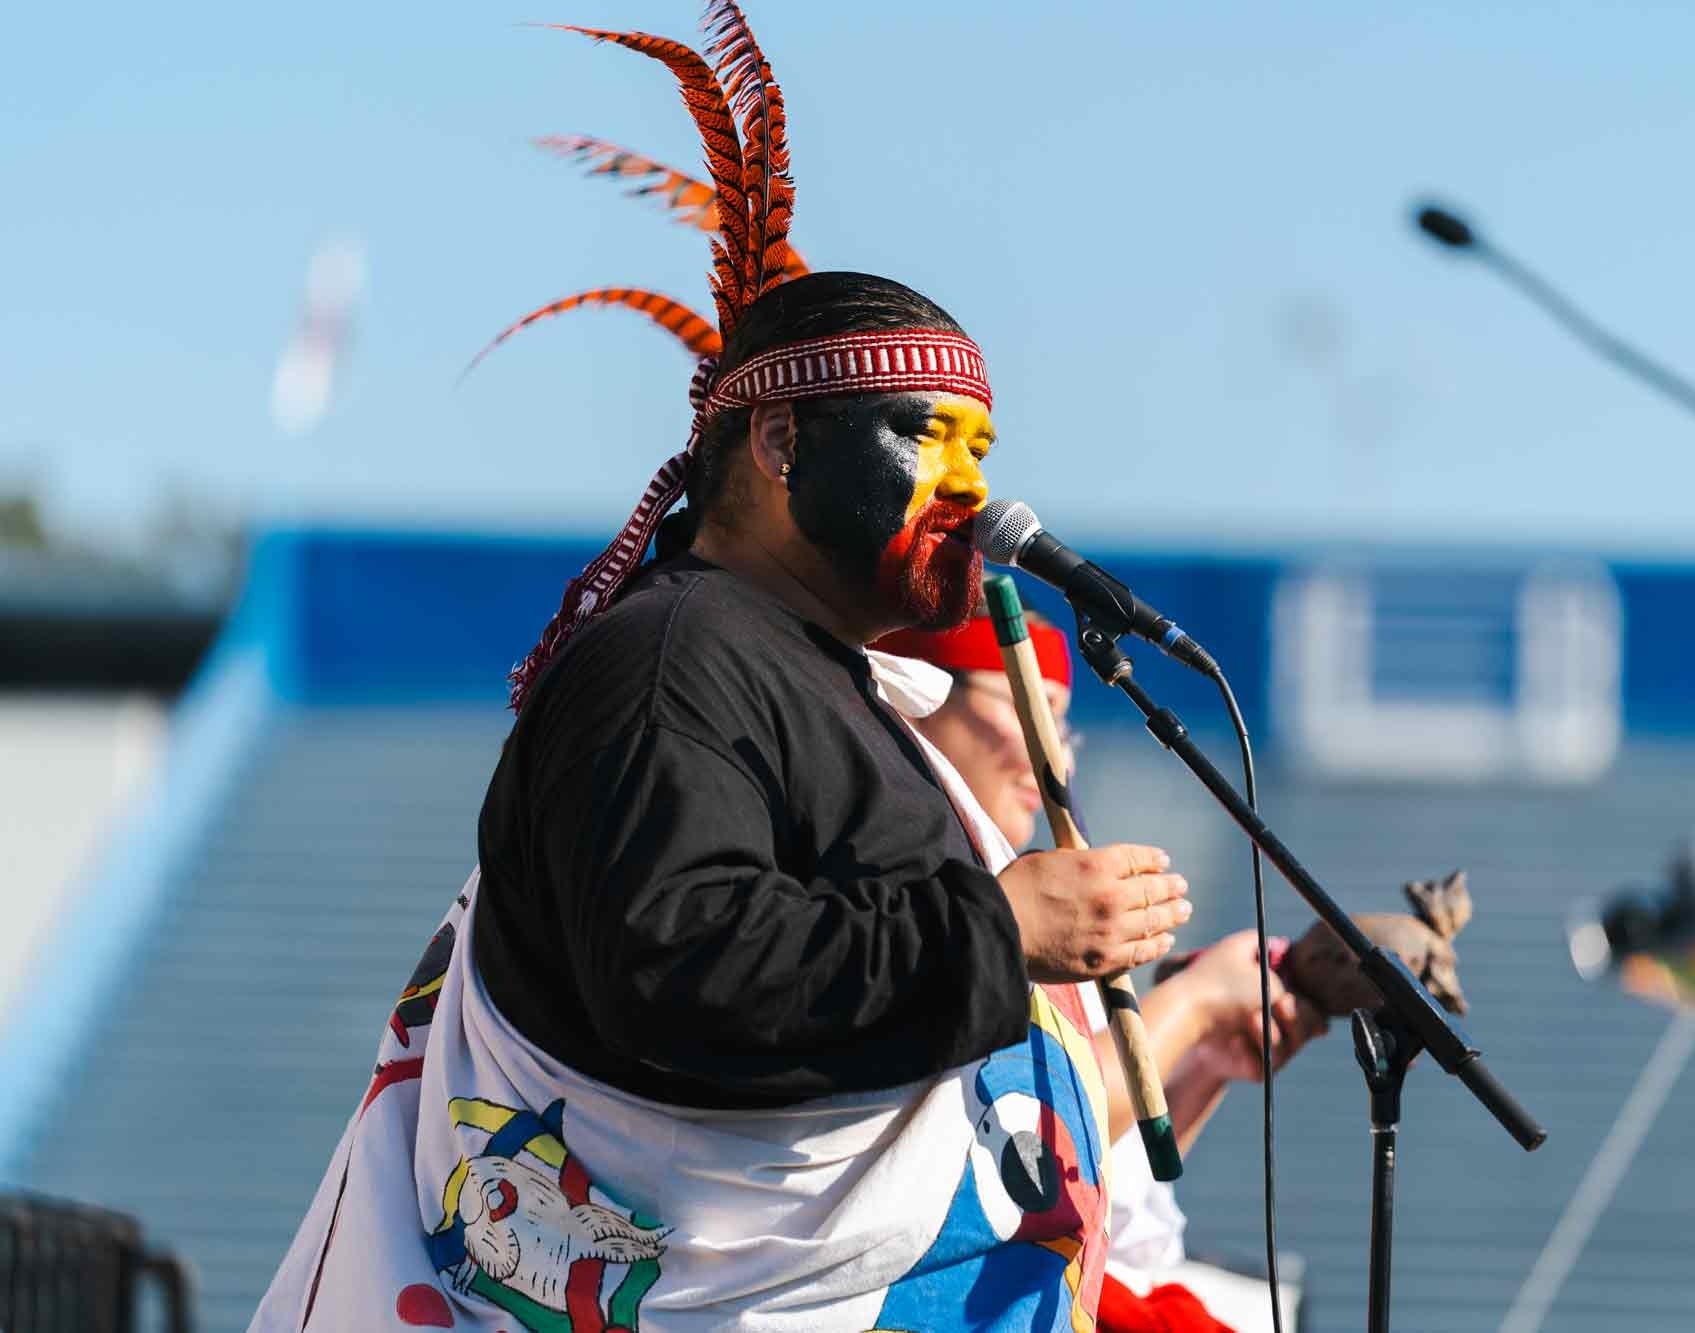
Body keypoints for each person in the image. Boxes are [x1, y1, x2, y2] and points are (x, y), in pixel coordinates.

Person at [252, 8, 1184, 1330]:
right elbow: (681, 973)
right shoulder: (670, 664)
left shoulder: (795, 673)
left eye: (985, 443)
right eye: (930, 434)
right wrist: (1006, 930)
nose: (975, 482)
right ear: (784, 445)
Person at [877, 608, 1467, 1333]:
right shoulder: (913, 900)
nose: (1055, 757)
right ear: (917, 695)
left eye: (1066, 727)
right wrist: (1190, 1003)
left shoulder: (1022, 886)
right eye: (1030, 710)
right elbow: (1019, 1151)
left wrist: (1203, 1059)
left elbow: (1093, 1188)